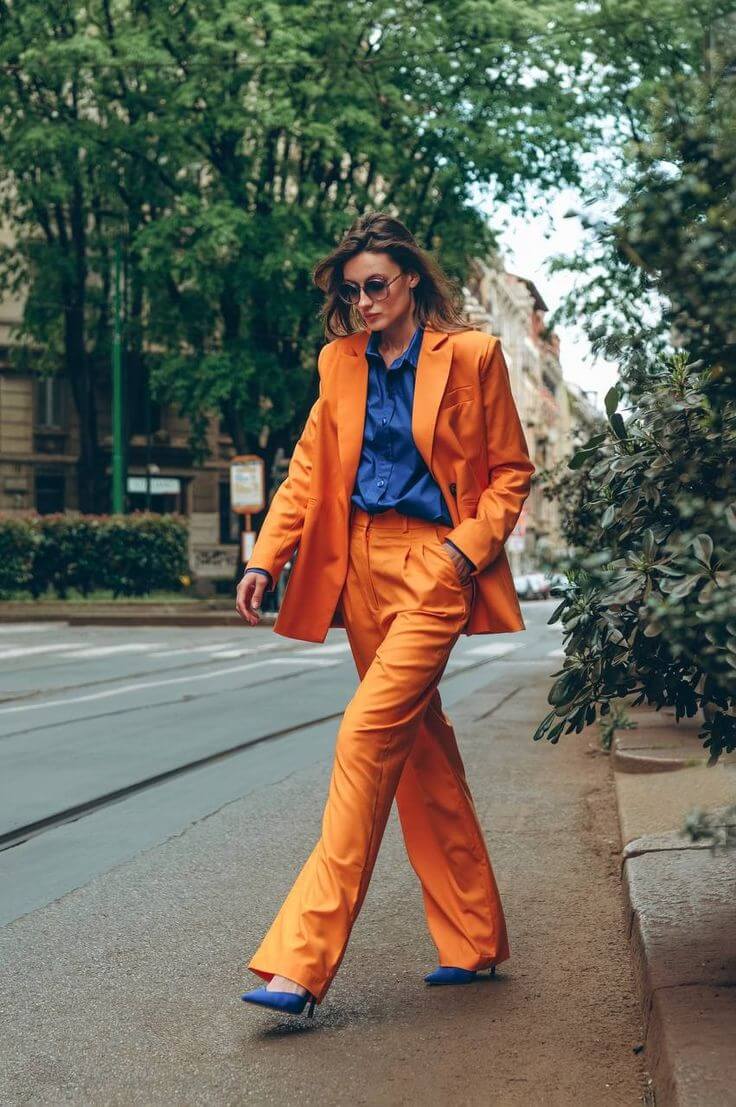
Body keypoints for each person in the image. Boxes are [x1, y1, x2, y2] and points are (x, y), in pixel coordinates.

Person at [235, 211, 535, 1019]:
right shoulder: (339, 363)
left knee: (366, 736)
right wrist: (267, 555)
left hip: (435, 565)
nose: (362, 301)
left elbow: (510, 471)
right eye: (349, 289)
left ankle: (300, 960)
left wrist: (463, 553)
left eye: (375, 285)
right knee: (421, 746)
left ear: (409, 281)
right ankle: (474, 937)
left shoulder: (472, 355)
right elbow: (305, 470)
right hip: (360, 567)